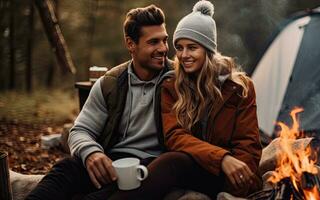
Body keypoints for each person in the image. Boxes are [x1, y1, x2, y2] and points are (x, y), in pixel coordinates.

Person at [108, 1, 262, 199]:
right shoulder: (172, 85)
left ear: (208, 50)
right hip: (193, 169)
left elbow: (248, 144)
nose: (184, 55)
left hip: (232, 176)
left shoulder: (240, 87)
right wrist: (221, 158)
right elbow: (174, 136)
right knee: (172, 161)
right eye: (179, 48)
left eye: (192, 47)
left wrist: (236, 183)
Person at [26, 4, 172, 200]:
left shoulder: (178, 80)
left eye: (165, 40)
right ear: (131, 44)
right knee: (65, 168)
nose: (163, 48)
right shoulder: (109, 84)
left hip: (151, 168)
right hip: (110, 162)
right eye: (153, 42)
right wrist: (91, 153)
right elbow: (80, 130)